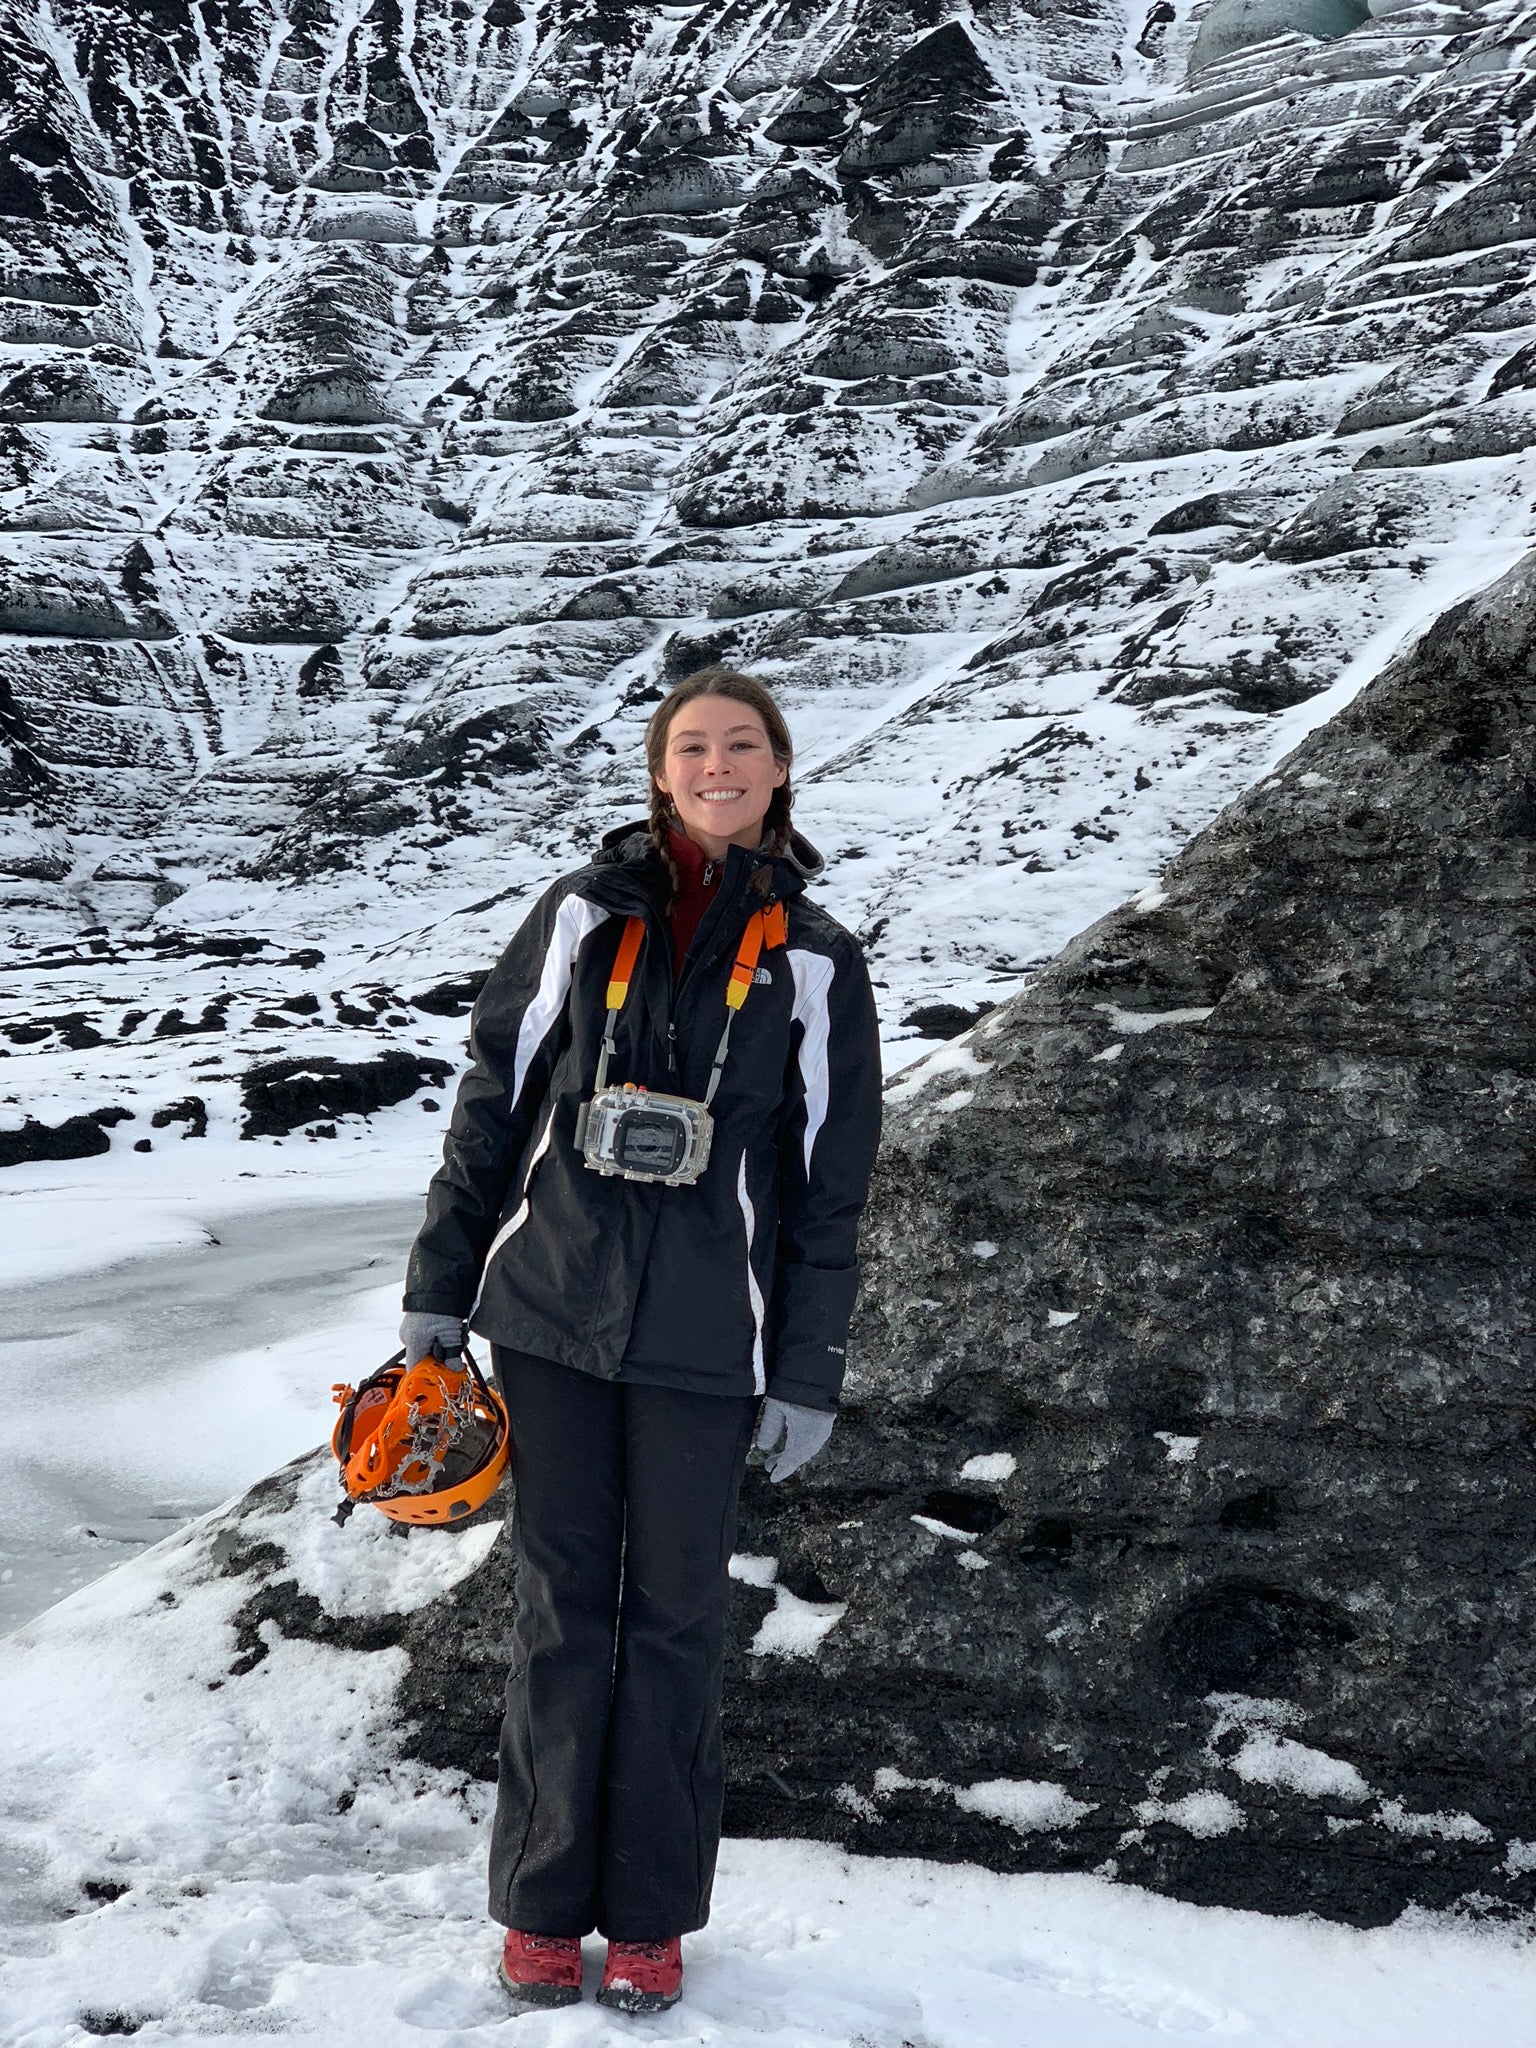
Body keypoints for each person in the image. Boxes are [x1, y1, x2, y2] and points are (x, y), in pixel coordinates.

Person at [397, 667, 882, 2016]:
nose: (716, 764)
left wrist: (807, 1366)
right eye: (690, 746)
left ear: (779, 768)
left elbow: (829, 1188)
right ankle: (544, 1906)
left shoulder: (819, 961)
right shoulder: (578, 918)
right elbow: (492, 1102)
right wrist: (439, 1289)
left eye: (741, 744)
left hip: (704, 1349)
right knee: (559, 1616)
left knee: (674, 1623)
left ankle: (655, 1917)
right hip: (550, 1314)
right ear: (658, 771)